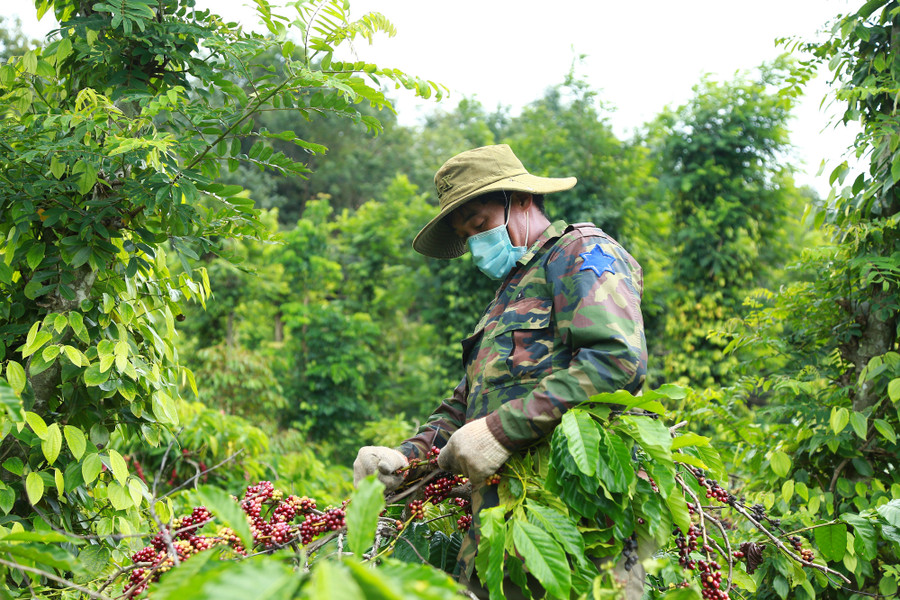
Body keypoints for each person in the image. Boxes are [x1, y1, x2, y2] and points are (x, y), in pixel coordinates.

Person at [353, 144, 648, 598]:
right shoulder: (506, 297)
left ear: (523, 200)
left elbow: (617, 361)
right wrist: (403, 457)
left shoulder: (579, 253)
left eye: (480, 225)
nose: (477, 244)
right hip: (498, 538)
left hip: (578, 529)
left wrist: (501, 430)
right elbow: (464, 404)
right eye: (467, 235)